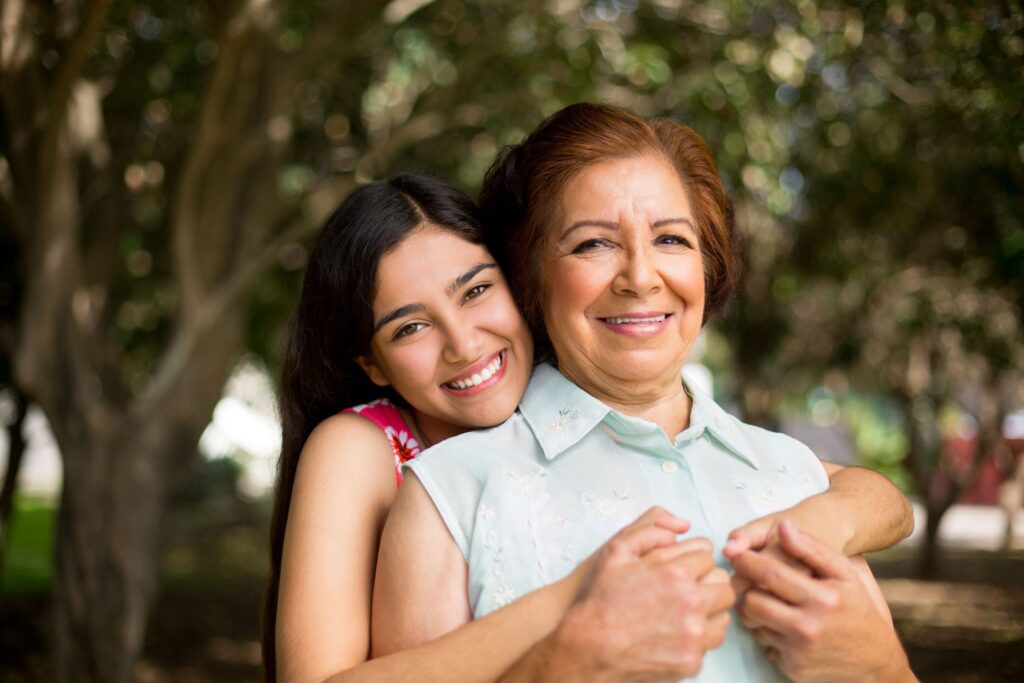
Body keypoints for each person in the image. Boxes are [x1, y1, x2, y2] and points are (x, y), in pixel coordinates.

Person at [372, 103, 916, 681]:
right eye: (593, 245)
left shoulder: (801, 482)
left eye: (671, 240)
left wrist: (882, 666)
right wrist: (562, 666)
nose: (640, 276)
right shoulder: (450, 493)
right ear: (530, 276)